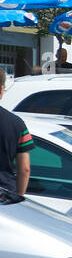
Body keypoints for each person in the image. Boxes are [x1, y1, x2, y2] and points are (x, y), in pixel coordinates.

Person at [0, 69, 33, 198]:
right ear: (1, 90)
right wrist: (18, 196)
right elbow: (25, 169)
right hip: (5, 195)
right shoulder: (17, 124)